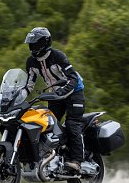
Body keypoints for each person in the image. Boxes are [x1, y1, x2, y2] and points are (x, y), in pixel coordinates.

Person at [24, 26, 86, 174]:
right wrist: (15, 97)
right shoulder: (31, 62)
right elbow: (28, 85)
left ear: (44, 43)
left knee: (72, 124)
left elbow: (73, 78)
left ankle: (77, 161)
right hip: (55, 95)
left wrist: (63, 92)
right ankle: (54, 157)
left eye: (35, 44)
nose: (32, 47)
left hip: (74, 92)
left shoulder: (58, 56)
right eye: (30, 44)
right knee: (47, 125)